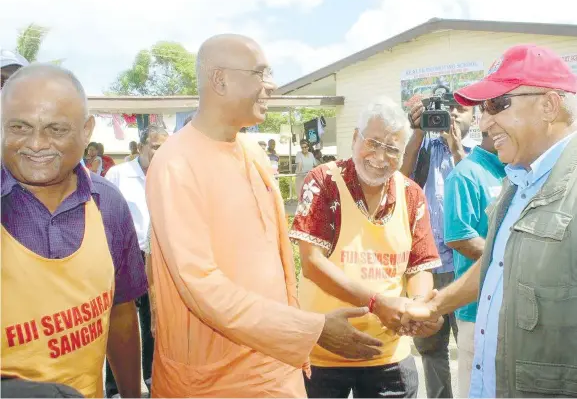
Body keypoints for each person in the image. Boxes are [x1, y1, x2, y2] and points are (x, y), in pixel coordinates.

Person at [145, 34, 383, 398]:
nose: (270, 85)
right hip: (217, 382)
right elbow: (201, 285)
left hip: (275, 369)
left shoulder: (252, 152)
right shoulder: (175, 164)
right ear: (220, 80)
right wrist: (311, 330)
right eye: (260, 73)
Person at [402, 44, 577, 398]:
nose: (483, 122)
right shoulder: (517, 182)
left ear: (549, 105)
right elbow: (499, 262)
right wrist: (434, 305)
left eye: (497, 105)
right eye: (482, 109)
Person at [1, 64, 147, 398]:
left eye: (55, 129)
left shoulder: (107, 203)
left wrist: (131, 394)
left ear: (86, 131)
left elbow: (121, 312)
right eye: (19, 127)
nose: (36, 144)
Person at [290, 97, 444, 398]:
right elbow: (311, 263)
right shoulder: (323, 182)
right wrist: (377, 304)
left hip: (387, 356)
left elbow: (420, 266)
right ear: (354, 138)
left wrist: (418, 306)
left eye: (392, 149)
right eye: (372, 142)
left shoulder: (411, 195)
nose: (380, 156)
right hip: (323, 351)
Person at [399, 91, 477, 399]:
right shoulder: (420, 149)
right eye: (446, 110)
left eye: (461, 110)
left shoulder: (478, 155)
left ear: (475, 117)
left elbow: (476, 193)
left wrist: (456, 147)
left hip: (466, 266)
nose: (453, 115)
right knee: (431, 350)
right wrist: (417, 131)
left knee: (471, 345)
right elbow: (400, 178)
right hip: (427, 266)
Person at [104, 123, 169, 397]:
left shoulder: (169, 174)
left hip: (157, 257)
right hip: (124, 257)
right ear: (140, 146)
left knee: (154, 318)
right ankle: (115, 387)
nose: (160, 151)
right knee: (119, 321)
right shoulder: (118, 174)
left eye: (165, 146)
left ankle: (153, 378)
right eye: (155, 146)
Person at [442, 123, 505, 397]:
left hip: (511, 309)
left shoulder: (515, 170)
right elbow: (459, 237)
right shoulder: (466, 174)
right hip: (475, 311)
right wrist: (513, 256)